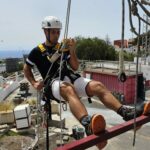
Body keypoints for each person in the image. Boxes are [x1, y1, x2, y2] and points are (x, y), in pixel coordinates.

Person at [24, 16, 150, 137]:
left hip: (69, 77)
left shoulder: (62, 48)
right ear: (45, 31)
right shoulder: (37, 51)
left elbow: (74, 66)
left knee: (98, 86)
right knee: (68, 89)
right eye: (54, 32)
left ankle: (124, 112)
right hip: (53, 84)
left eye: (58, 32)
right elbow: (26, 68)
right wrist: (34, 83)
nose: (57, 35)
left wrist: (72, 51)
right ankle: (88, 124)